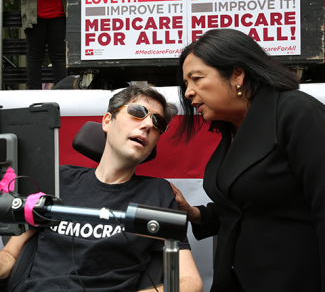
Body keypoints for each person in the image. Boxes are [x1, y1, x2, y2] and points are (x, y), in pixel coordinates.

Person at [0, 85, 203, 292]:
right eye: (138, 112)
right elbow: (9, 255)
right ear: (107, 121)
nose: (148, 125)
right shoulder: (60, 180)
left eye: (158, 122)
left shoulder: (156, 194)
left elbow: (189, 282)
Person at [170, 28, 325, 292]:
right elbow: (244, 207)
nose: (188, 93)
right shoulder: (231, 130)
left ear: (237, 74)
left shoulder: (297, 113)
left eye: (196, 79)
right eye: (186, 84)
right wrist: (194, 214)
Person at [12, 0, 67, 89]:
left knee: (59, 57)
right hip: (34, 16)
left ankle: (63, 94)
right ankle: (33, 95)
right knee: (34, 56)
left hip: (59, 15)